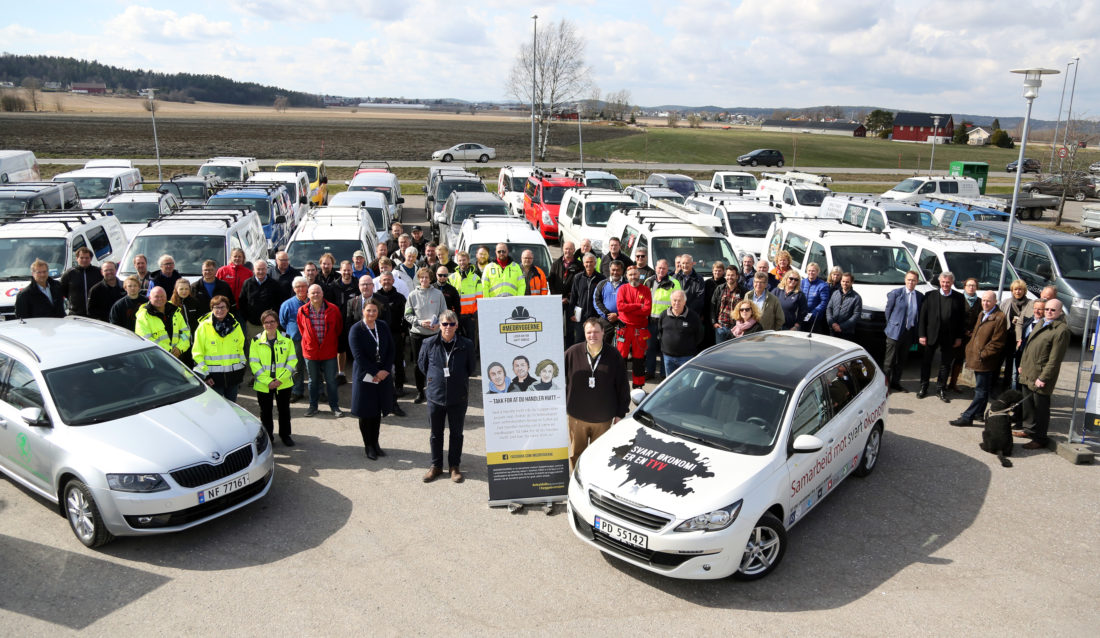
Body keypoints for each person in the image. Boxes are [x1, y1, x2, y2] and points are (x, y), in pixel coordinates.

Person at [418, 310, 476, 482]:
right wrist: (434, 379)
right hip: (435, 397)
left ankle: (454, 467)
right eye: (444, 324)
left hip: (458, 397)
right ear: (439, 325)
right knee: (436, 433)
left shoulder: (466, 344)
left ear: (457, 325)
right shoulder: (429, 343)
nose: (448, 327)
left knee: (456, 434)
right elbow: (423, 365)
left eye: (452, 324)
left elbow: (471, 368)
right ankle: (436, 466)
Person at [564, 318, 630, 469]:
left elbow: (623, 386)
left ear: (602, 333)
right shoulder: (572, 353)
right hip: (577, 417)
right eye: (589, 332)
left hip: (603, 419)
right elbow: (556, 377)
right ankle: (576, 481)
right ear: (584, 333)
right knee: (575, 454)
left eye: (596, 332)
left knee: (599, 455)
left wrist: (621, 413)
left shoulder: (614, 356)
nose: (592, 335)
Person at [1015, 299, 1070, 450]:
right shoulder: (1041, 322)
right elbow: (1028, 346)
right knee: (1029, 406)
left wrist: (1043, 378)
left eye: (1053, 310)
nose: (1049, 312)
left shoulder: (1061, 330)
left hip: (1040, 376)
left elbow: (1055, 359)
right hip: (1028, 371)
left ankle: (1040, 438)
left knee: (1041, 409)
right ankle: (1028, 430)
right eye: (1047, 309)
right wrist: (1022, 365)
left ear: (1060, 312)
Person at [951, 292, 1008, 427]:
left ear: (995, 302)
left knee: (980, 391)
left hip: (985, 360)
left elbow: (997, 343)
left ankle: (967, 416)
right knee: (983, 389)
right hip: (976, 357)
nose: (985, 303)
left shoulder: (1000, 317)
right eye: (983, 300)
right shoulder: (983, 313)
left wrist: (982, 354)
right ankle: (978, 414)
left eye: (988, 301)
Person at [349, 298, 396, 459]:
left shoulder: (382, 326)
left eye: (374, 311)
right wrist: (375, 372)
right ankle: (368, 445)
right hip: (365, 375)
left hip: (382, 375)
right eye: (368, 310)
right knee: (365, 412)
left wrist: (385, 370)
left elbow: (391, 349)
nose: (371, 313)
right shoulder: (356, 329)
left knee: (376, 411)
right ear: (363, 311)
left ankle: (376, 443)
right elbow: (358, 356)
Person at [250, 309, 298, 446]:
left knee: (284, 410)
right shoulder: (256, 340)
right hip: (264, 384)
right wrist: (268, 381)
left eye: (272, 322)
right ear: (262, 324)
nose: (269, 325)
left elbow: (292, 361)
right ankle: (268, 437)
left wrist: (280, 379)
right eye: (266, 322)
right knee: (265, 412)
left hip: (283, 383)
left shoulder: (286, 339)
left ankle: (285, 435)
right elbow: (254, 364)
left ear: (277, 323)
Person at [917, 271, 966, 402]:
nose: (945, 284)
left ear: (952, 283)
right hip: (931, 335)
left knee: (945, 364)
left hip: (949, 337)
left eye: (948, 282)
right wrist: (921, 334)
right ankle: (924, 386)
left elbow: (962, 320)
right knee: (926, 362)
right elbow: (922, 317)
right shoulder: (929, 296)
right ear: (940, 282)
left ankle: (941, 389)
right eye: (943, 282)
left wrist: (959, 337)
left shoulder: (959, 298)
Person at [298, 283, 344, 417]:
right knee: (313, 381)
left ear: (323, 294)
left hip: (328, 351)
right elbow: (302, 330)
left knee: (331, 380)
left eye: (318, 292)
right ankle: (313, 406)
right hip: (311, 352)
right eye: (312, 293)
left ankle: (334, 406)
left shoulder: (333, 309)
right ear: (308, 295)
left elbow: (338, 328)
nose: (315, 295)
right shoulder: (302, 310)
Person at [192, 295, 247, 401]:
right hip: (213, 379)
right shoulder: (203, 327)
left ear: (227, 309)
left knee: (232, 408)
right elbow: (197, 353)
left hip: (233, 377)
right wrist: (206, 376)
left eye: (223, 307)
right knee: (216, 410)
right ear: (212, 309)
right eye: (216, 307)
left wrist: (242, 367)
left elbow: (240, 348)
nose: (220, 310)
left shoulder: (236, 325)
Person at [405, 267, 446, 403]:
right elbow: (408, 315)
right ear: (418, 278)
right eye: (421, 277)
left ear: (431, 279)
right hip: (417, 335)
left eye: (426, 277)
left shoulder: (438, 294)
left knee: (435, 363)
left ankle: (434, 390)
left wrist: (438, 324)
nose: (424, 280)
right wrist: (420, 323)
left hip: (434, 334)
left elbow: (444, 313)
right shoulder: (412, 295)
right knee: (418, 364)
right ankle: (420, 391)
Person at [883, 270, 924, 392]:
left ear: (917, 282)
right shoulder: (896, 293)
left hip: (909, 332)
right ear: (905, 280)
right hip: (894, 332)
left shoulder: (919, 296)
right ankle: (885, 385)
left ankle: (896, 383)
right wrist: (891, 325)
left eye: (913, 280)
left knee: (902, 360)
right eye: (909, 279)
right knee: (889, 361)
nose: (911, 282)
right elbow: (888, 311)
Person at [374, 272, 409, 401]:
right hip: (379, 335)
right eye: (384, 280)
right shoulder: (375, 297)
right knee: (381, 361)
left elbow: (406, 315)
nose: (386, 282)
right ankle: (381, 385)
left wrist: (403, 331)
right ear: (380, 281)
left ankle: (399, 386)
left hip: (395, 334)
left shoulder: (400, 298)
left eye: (389, 280)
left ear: (393, 281)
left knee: (398, 361)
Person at [616, 265, 652, 389]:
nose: (633, 277)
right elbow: (620, 307)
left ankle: (638, 386)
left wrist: (629, 308)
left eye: (635, 274)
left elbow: (647, 310)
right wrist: (638, 306)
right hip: (624, 329)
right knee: (621, 357)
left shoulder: (646, 290)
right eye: (630, 275)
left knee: (639, 359)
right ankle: (620, 384)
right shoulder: (622, 289)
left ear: (639, 275)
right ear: (626, 276)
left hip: (639, 330)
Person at [645, 259, 681, 376]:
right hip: (650, 321)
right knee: (650, 347)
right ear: (655, 268)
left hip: (667, 321)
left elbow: (678, 301)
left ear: (667, 269)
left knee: (664, 348)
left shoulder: (674, 283)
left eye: (664, 268)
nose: (661, 270)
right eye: (659, 268)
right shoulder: (648, 281)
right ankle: (649, 372)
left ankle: (664, 374)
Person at [947, 277, 983, 392]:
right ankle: (943, 383)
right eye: (969, 285)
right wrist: (964, 330)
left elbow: (980, 318)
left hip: (970, 336)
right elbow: (954, 317)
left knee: (959, 359)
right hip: (957, 334)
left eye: (973, 285)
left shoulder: (980, 301)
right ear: (965, 287)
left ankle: (953, 383)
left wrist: (973, 331)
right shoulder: (959, 299)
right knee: (949, 359)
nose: (971, 287)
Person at [135, 285, 190, 358]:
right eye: (156, 296)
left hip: (177, 357)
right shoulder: (143, 316)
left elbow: (185, 333)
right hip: (156, 358)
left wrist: (180, 348)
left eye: (162, 296)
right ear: (150, 298)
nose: (160, 299)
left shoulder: (175, 312)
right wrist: (169, 350)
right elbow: (145, 339)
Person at [279, 277, 310, 402]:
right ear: (294, 289)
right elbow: (282, 321)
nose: (301, 289)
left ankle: (318, 391)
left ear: (307, 287)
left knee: (314, 367)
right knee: (296, 367)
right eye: (298, 287)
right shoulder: (287, 304)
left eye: (303, 286)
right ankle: (297, 391)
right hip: (295, 340)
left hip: (311, 341)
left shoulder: (313, 301)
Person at [658, 290, 703, 376]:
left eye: (679, 300)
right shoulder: (664, 315)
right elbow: (660, 332)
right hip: (668, 357)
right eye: (674, 300)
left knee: (685, 384)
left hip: (686, 357)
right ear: (671, 301)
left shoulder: (693, 317)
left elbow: (699, 335)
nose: (677, 303)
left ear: (684, 302)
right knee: (670, 382)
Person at [238, 259, 282, 343]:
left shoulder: (274, 284)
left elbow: (278, 303)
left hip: (270, 324)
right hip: (253, 324)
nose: (261, 271)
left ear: (267, 269)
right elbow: (242, 302)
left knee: (270, 346)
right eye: (258, 269)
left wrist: (274, 318)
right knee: (252, 347)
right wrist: (248, 318)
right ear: (254, 270)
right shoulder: (247, 283)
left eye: (263, 269)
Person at [999, 279, 1031, 390]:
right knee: (1004, 361)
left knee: (1018, 364)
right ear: (1012, 290)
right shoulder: (1006, 302)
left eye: (1020, 289)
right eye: (1015, 289)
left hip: (1021, 338)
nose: (1018, 292)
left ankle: (1016, 387)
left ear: (1024, 291)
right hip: (1007, 336)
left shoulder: (1030, 304)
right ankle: (1003, 385)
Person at [568, 253, 605, 345]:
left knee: (594, 340)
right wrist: (571, 313)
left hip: (595, 315)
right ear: (584, 264)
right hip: (580, 315)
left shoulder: (601, 278)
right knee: (579, 340)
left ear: (595, 263)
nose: (589, 264)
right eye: (587, 262)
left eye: (591, 262)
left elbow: (603, 298)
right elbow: (573, 297)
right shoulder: (578, 277)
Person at [60, 246, 102, 317]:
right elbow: (62, 291)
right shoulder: (69, 274)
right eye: (81, 258)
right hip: (76, 314)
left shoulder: (98, 272)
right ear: (77, 258)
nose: (84, 260)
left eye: (87, 258)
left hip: (96, 314)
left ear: (91, 259)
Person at [170, 278, 202, 369]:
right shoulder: (171, 305)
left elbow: (200, 321)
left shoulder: (195, 302)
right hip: (179, 341)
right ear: (176, 290)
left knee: (192, 363)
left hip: (194, 339)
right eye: (181, 289)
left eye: (186, 289)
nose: (184, 291)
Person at [451, 250, 481, 343]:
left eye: (464, 260)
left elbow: (480, 297)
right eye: (459, 260)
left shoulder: (475, 278)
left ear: (468, 260)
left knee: (470, 341)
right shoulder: (452, 277)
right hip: (456, 315)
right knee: (456, 341)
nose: (462, 262)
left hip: (470, 316)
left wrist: (475, 313)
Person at [593, 260, 625, 346]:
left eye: (618, 270)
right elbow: (596, 300)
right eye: (613, 270)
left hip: (622, 321)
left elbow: (630, 303)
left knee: (621, 345)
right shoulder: (602, 284)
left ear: (622, 271)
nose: (615, 272)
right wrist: (607, 314)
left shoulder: (627, 285)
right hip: (605, 320)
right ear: (609, 269)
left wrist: (618, 315)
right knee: (602, 345)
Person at [710, 265, 740, 343]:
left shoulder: (742, 290)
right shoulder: (720, 289)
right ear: (725, 276)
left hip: (736, 328)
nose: (730, 277)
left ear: (737, 276)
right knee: (720, 353)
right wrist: (714, 322)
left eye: (732, 275)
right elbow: (712, 306)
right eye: (728, 275)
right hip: (721, 328)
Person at [826, 272, 862, 340]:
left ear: (852, 282)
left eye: (847, 282)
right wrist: (832, 323)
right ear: (840, 281)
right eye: (843, 281)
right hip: (832, 330)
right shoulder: (835, 293)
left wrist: (841, 327)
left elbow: (856, 315)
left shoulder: (856, 297)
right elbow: (829, 308)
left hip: (846, 332)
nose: (844, 283)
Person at [801, 262, 830, 334]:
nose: (811, 272)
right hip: (801, 316)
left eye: (813, 271)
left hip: (815, 318)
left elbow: (824, 302)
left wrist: (813, 313)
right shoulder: (802, 282)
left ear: (817, 272)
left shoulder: (823, 285)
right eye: (809, 270)